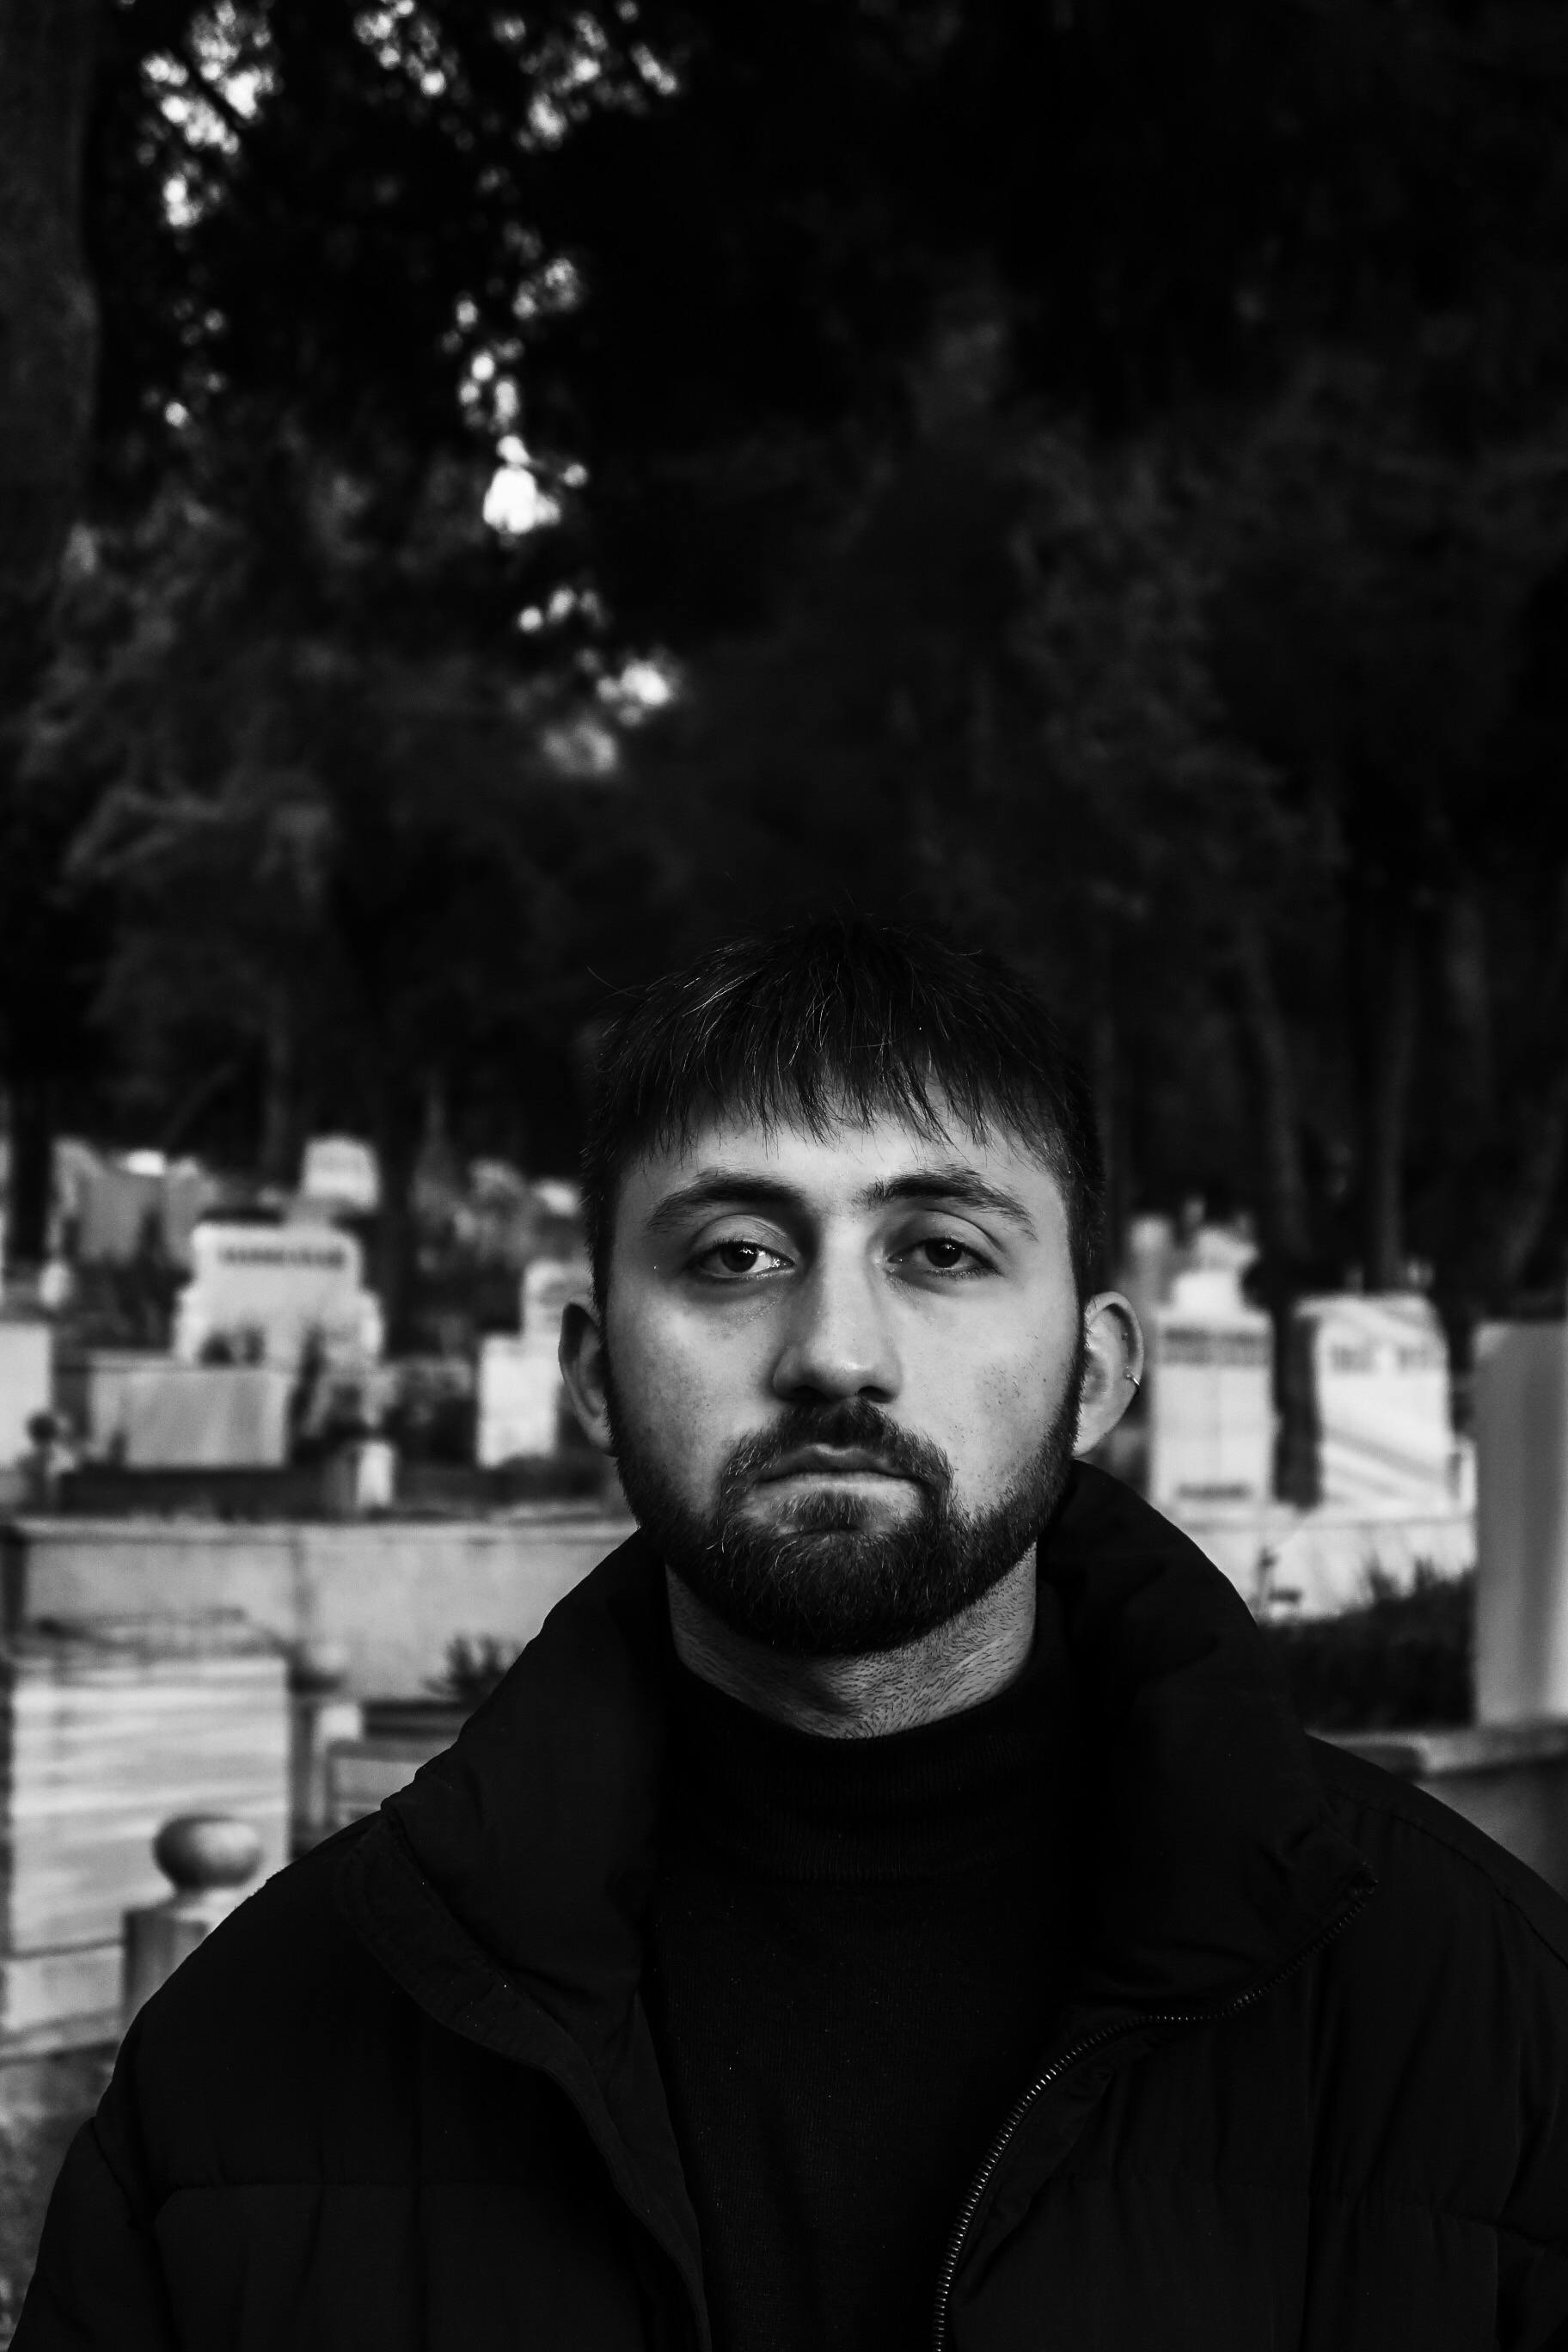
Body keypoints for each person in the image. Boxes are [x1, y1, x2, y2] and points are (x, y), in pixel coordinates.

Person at [19, 916, 1568, 2351]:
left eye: (943, 1251)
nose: (836, 1353)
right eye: (736, 1257)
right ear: (595, 1370)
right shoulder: (259, 2059)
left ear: (1097, 1374)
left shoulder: (1480, 2024)